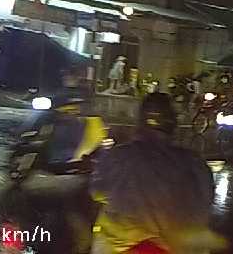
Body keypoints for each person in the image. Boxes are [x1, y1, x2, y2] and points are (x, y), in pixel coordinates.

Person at [90, 93, 225, 254]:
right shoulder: (194, 161)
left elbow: (97, 191)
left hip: (123, 243)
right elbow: (207, 199)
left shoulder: (117, 156)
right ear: (173, 123)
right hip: (178, 245)